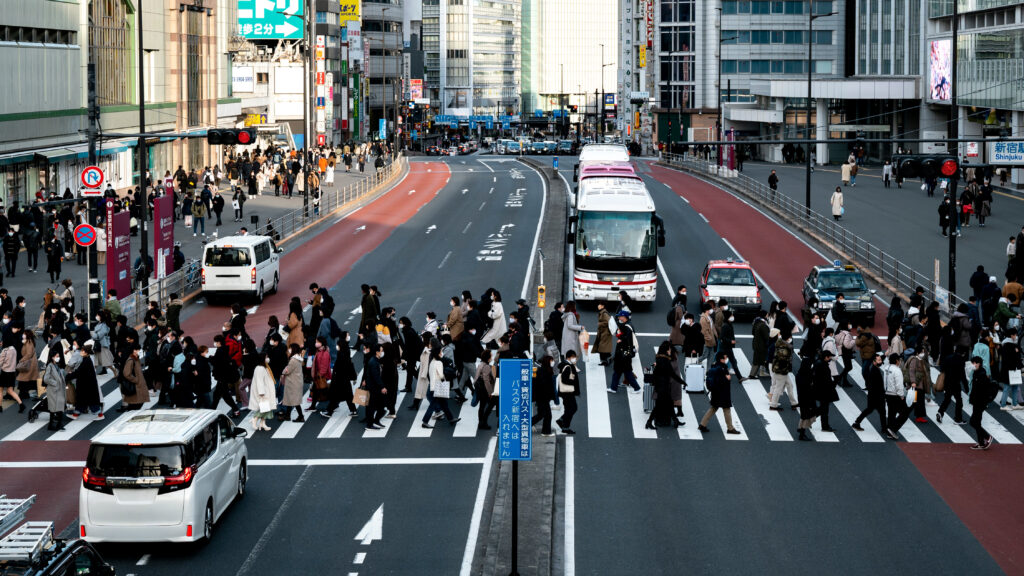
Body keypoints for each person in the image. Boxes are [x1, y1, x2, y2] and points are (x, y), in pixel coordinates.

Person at [698, 352, 740, 434]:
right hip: (722, 393)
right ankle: (730, 428)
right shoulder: (721, 368)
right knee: (726, 409)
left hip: (716, 392)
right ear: (721, 359)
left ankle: (702, 424)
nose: (726, 358)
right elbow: (720, 381)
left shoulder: (715, 366)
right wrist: (727, 379)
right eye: (725, 357)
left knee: (713, 408)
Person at [646, 341, 683, 429]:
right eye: (669, 350)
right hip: (663, 386)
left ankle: (675, 421)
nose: (670, 351)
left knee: (668, 404)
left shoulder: (664, 359)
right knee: (662, 405)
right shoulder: (664, 360)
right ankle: (650, 422)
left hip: (665, 386)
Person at [421, 345, 459, 428]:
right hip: (437, 387)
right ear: (438, 354)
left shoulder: (432, 362)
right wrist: (444, 382)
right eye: (441, 352)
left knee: (444, 404)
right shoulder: (439, 363)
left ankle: (451, 418)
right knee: (433, 406)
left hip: (433, 385)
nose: (442, 353)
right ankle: (425, 422)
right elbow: (441, 375)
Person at [852, 352, 889, 435]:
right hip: (877, 396)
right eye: (879, 360)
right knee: (881, 412)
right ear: (874, 362)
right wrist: (883, 395)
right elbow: (877, 386)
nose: (880, 361)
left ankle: (857, 422)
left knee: (870, 410)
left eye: (880, 360)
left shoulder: (874, 368)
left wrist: (885, 355)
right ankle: (884, 428)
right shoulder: (874, 371)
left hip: (873, 396)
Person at [968, 356, 997, 450]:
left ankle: (987, 437)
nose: (973, 365)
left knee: (973, 422)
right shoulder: (977, 373)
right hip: (977, 402)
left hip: (980, 402)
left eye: (975, 363)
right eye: (972, 363)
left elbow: (981, 390)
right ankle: (981, 442)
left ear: (979, 363)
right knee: (977, 422)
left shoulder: (981, 375)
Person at [608, 311, 641, 393]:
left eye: (620, 316)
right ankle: (613, 388)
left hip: (624, 353)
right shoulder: (627, 324)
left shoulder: (627, 326)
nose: (619, 317)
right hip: (624, 353)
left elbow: (628, 339)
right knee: (619, 371)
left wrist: (620, 340)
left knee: (625, 371)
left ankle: (637, 388)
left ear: (624, 317)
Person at [68, 344, 102, 419]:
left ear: (86, 353)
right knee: (82, 400)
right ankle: (76, 414)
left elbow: (79, 372)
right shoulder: (87, 359)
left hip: (87, 385)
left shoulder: (86, 361)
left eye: (83, 351)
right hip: (87, 384)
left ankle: (100, 415)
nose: (81, 352)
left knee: (90, 402)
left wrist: (68, 376)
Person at [768, 332, 798, 411]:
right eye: (790, 337)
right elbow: (783, 360)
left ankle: (794, 403)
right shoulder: (784, 348)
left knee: (790, 385)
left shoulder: (779, 344)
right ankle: (773, 405)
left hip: (780, 370)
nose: (791, 339)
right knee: (778, 388)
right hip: (781, 370)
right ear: (788, 338)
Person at [248, 354, 278, 432]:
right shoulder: (260, 368)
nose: (268, 358)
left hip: (266, 390)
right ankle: (255, 419)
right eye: (266, 357)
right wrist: (261, 392)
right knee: (264, 408)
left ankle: (262, 423)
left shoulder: (264, 367)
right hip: (263, 392)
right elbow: (259, 381)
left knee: (266, 407)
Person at [279, 344, 306, 422]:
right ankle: (288, 416)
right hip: (296, 382)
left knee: (294, 401)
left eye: (290, 348)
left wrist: (283, 371)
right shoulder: (298, 358)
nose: (289, 350)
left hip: (293, 382)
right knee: (291, 400)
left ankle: (301, 416)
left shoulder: (293, 360)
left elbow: (287, 371)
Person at [556, 350, 581, 434]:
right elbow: (565, 379)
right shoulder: (568, 366)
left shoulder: (565, 365)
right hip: (568, 392)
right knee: (573, 408)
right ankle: (561, 420)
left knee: (568, 409)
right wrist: (573, 382)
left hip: (565, 392)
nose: (575, 359)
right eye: (574, 357)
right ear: (569, 357)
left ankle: (565, 427)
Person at [813, 348, 838, 432]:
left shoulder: (818, 363)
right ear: (826, 357)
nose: (830, 358)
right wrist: (832, 385)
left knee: (823, 408)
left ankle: (811, 418)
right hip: (824, 391)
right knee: (824, 409)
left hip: (819, 390)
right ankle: (825, 426)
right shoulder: (823, 365)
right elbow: (826, 380)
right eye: (829, 357)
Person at [42, 346, 66, 430]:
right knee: (54, 408)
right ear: (52, 357)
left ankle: (56, 424)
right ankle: (55, 425)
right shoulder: (50, 366)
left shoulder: (56, 365)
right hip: (53, 390)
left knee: (58, 407)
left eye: (58, 356)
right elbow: (46, 379)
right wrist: (55, 383)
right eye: (57, 356)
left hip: (58, 390)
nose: (58, 358)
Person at [119, 345, 149, 411]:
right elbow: (126, 374)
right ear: (134, 351)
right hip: (136, 386)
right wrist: (136, 380)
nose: (140, 351)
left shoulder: (135, 359)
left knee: (139, 403)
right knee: (136, 404)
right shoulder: (131, 360)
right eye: (138, 350)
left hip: (138, 385)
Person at [533, 356, 556, 436]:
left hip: (542, 397)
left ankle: (525, 425)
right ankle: (546, 432)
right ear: (548, 362)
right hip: (543, 397)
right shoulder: (544, 372)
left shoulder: (544, 370)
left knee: (541, 414)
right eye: (551, 360)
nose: (553, 362)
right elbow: (544, 386)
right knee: (547, 415)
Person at [475, 349, 498, 430]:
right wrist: (490, 392)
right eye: (491, 355)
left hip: (479, 389)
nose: (492, 357)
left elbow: (476, 377)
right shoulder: (487, 366)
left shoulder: (480, 364)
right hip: (485, 390)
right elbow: (486, 380)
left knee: (482, 406)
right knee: (492, 403)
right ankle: (484, 422)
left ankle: (480, 422)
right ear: (488, 357)